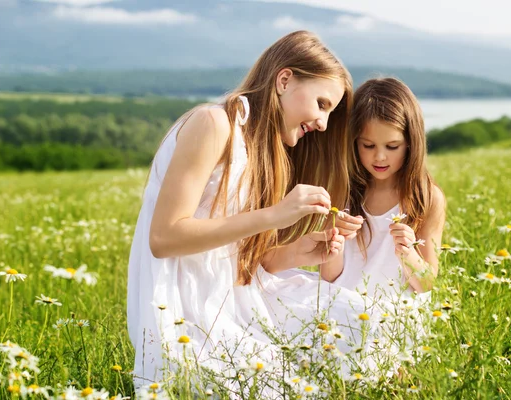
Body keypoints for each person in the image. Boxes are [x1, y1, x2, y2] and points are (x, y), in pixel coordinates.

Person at [126, 30, 370, 388]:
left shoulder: (264, 154)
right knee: (271, 386)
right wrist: (275, 214)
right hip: (184, 310)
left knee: (358, 322)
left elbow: (246, 262)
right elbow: (164, 238)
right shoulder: (214, 125)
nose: (323, 124)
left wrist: (301, 251)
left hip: (234, 296)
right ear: (284, 80)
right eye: (322, 104)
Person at [322, 77, 446, 305]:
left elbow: (427, 283)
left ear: (411, 142)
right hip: (344, 305)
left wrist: (408, 254)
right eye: (368, 146)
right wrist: (333, 239)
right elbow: (330, 277)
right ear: (353, 142)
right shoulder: (342, 190)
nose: (380, 157)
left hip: (397, 314)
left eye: (392, 146)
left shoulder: (427, 198)